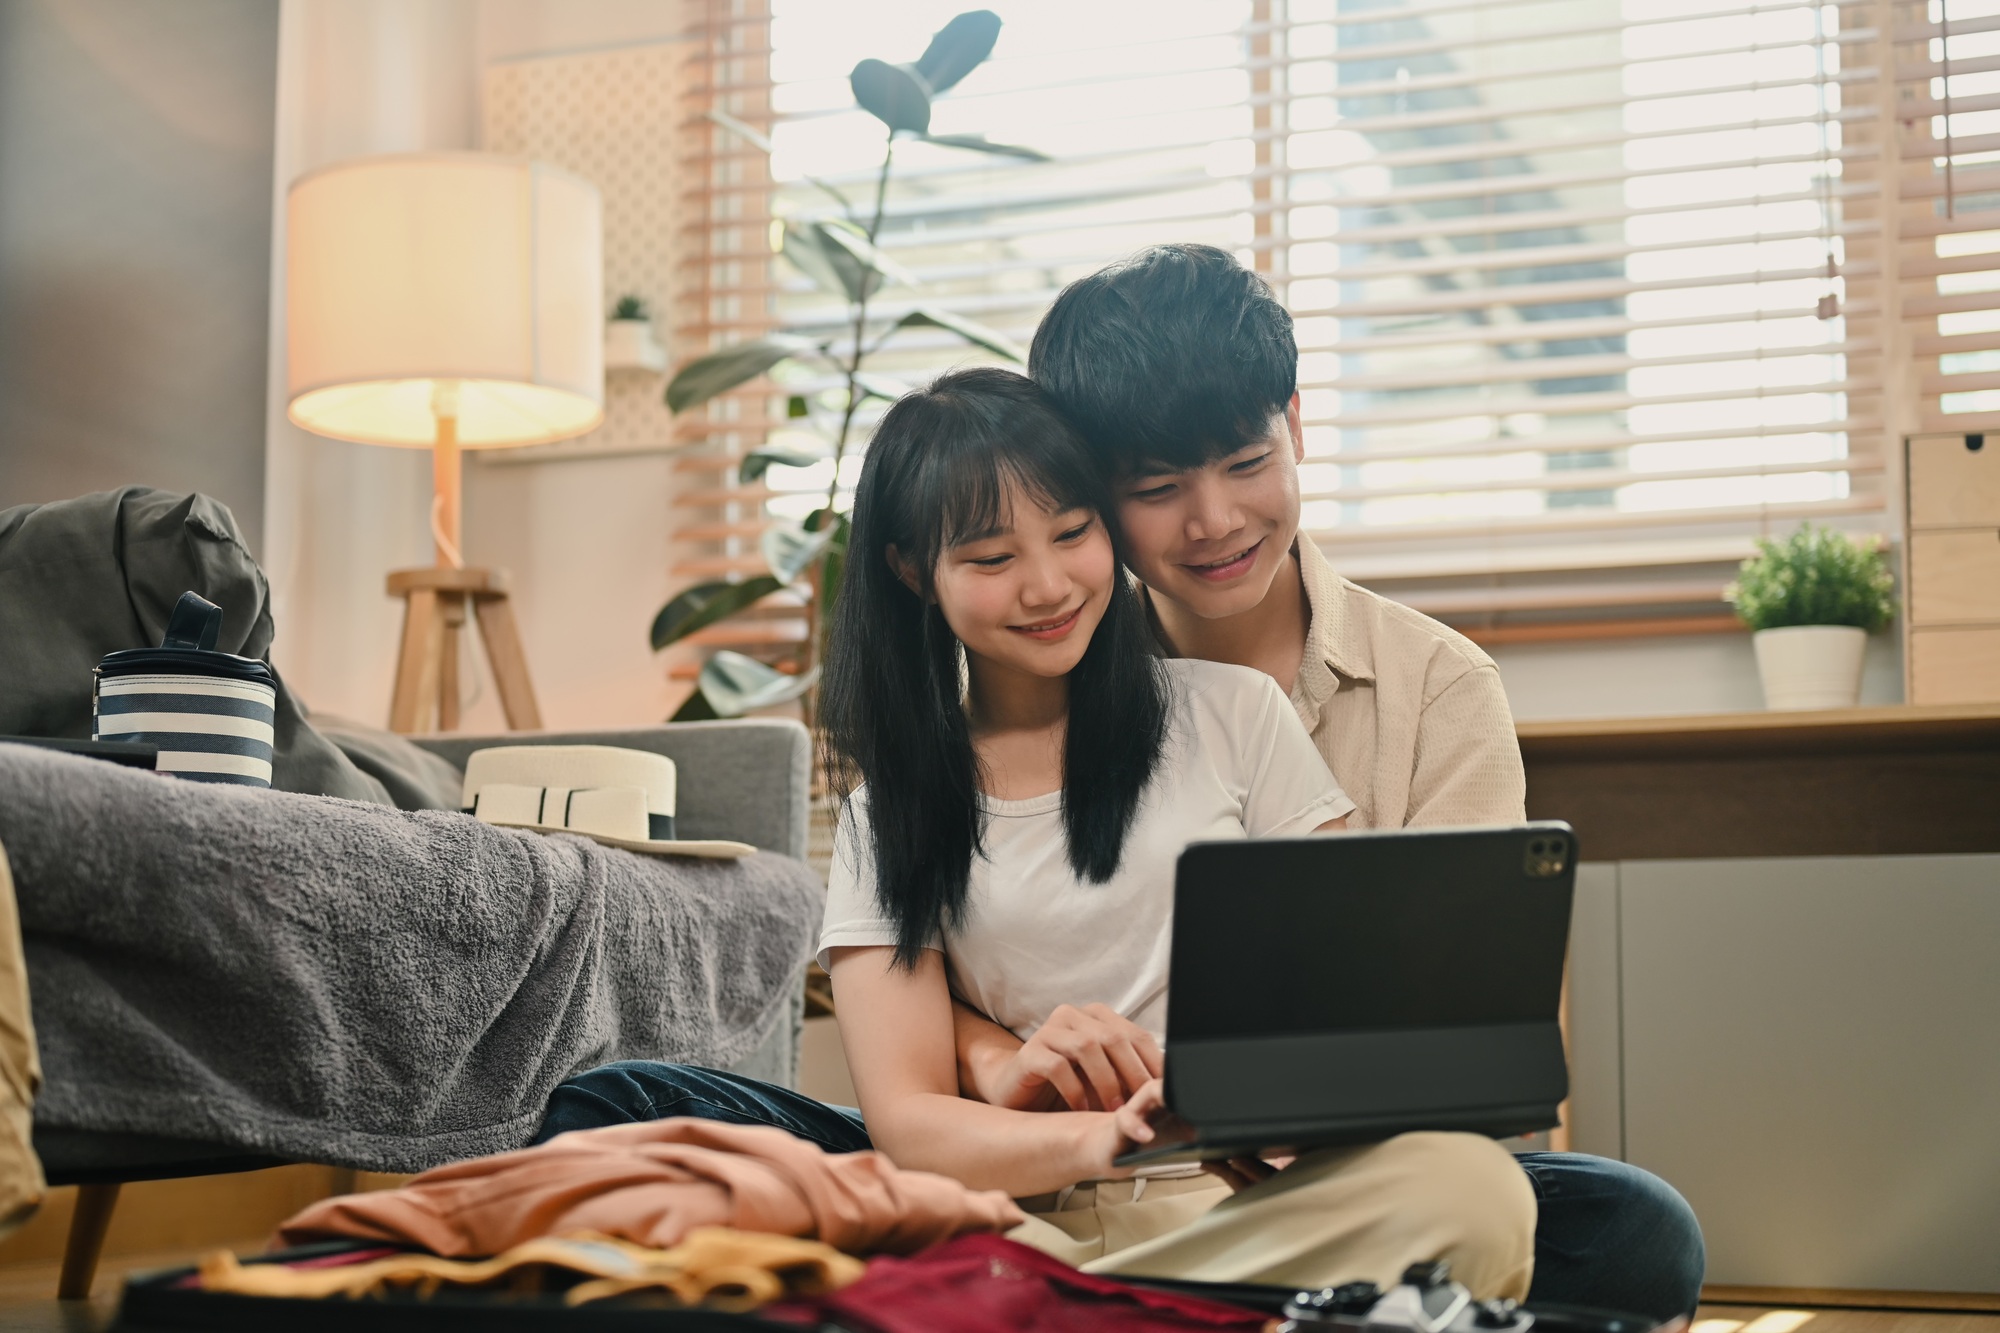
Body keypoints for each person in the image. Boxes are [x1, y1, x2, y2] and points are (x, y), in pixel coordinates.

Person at [545, 368, 1537, 1294]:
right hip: (1024, 1221)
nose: (1047, 584)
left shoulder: (1231, 714)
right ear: (907, 569)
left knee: (1471, 1188)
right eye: (989, 557)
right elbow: (909, 1122)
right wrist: (1106, 1138)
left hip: (1246, 1210)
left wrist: (1265, 1115)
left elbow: (1345, 985)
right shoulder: (886, 815)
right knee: (688, 1143)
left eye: (1070, 533)